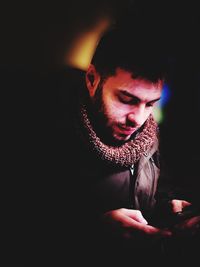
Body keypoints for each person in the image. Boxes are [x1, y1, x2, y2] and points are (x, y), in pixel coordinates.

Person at [55, 26, 200, 265]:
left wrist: (167, 208)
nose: (138, 118)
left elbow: (156, 189)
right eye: (126, 100)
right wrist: (91, 233)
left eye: (151, 103)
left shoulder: (149, 135)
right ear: (92, 80)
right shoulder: (42, 136)